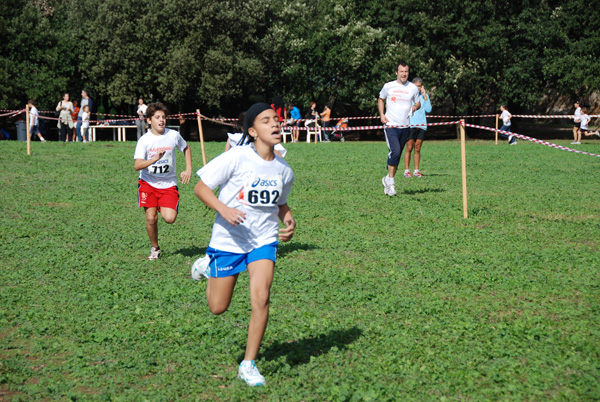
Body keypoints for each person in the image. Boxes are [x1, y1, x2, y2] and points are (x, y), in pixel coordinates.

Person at [191, 103, 295, 387]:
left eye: (276, 119)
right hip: (228, 241)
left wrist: (287, 218)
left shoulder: (284, 170)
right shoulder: (236, 157)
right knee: (217, 307)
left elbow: (280, 203)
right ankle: (208, 266)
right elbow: (201, 187)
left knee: (261, 298)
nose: (275, 124)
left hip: (262, 240)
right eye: (266, 121)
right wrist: (224, 210)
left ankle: (248, 364)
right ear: (252, 131)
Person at [133, 102, 192, 260]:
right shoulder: (144, 140)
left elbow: (186, 148)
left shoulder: (172, 135)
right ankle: (155, 248)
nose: (161, 120)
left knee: (169, 218)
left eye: (163, 117)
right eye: (157, 117)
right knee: (151, 218)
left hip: (168, 185)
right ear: (149, 120)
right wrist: (154, 159)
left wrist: (188, 169)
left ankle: (161, 203)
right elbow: (137, 165)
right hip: (148, 183)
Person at [378, 61, 421, 197]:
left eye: (406, 72)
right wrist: (381, 115)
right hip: (391, 125)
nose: (404, 74)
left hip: (405, 127)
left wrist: (415, 107)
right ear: (397, 72)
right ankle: (391, 185)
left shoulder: (413, 88)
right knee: (395, 152)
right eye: (401, 71)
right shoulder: (388, 86)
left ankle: (387, 178)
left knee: (396, 157)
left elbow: (418, 102)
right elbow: (380, 99)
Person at [404, 77, 432, 177]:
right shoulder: (408, 96)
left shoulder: (425, 97)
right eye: (416, 86)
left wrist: (424, 95)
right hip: (411, 125)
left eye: (419, 86)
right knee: (409, 147)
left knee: (417, 148)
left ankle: (416, 170)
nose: (418, 88)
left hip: (422, 125)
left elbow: (428, 109)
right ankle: (407, 171)